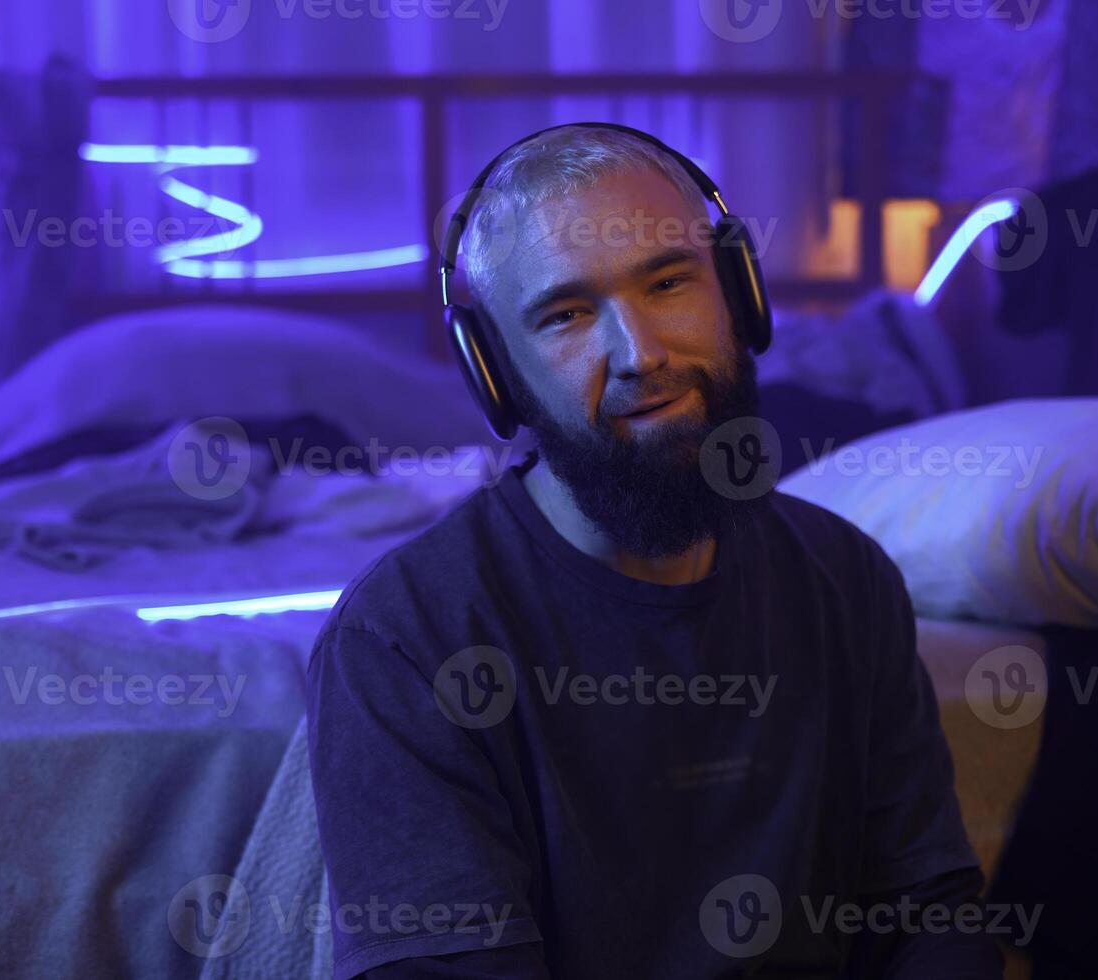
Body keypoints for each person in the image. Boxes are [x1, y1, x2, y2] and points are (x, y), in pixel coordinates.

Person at [305, 123, 1004, 979]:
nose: (641, 355)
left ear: (739, 295)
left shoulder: (847, 578)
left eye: (669, 282)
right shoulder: (404, 640)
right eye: (566, 315)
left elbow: (928, 915)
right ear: (496, 373)